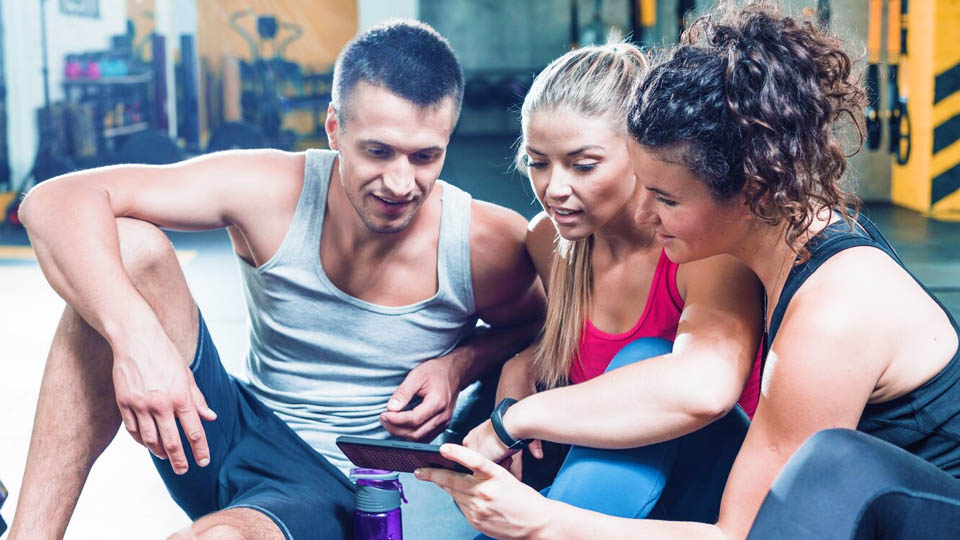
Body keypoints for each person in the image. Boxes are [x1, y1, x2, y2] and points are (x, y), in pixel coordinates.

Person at [417, 2, 960, 539]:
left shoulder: (834, 312)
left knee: (821, 452)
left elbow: (742, 535)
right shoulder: (792, 245)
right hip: (838, 512)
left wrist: (541, 521)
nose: (646, 214)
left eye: (666, 199)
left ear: (752, 188)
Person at [9, 20, 543, 540]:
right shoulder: (272, 188)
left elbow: (539, 326)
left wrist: (458, 365)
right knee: (128, 248)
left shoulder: (482, 242)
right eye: (377, 151)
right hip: (221, 428)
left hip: (338, 475)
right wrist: (136, 339)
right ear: (335, 128)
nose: (401, 183)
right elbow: (52, 202)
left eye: (426, 156)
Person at [445, 41, 764, 536]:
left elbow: (702, 388)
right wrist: (519, 363)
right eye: (538, 162)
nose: (554, 187)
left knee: (647, 357)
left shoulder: (704, 252)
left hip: (710, 499)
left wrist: (518, 419)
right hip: (601, 502)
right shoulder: (547, 243)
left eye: (583, 164)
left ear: (641, 154)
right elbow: (556, 339)